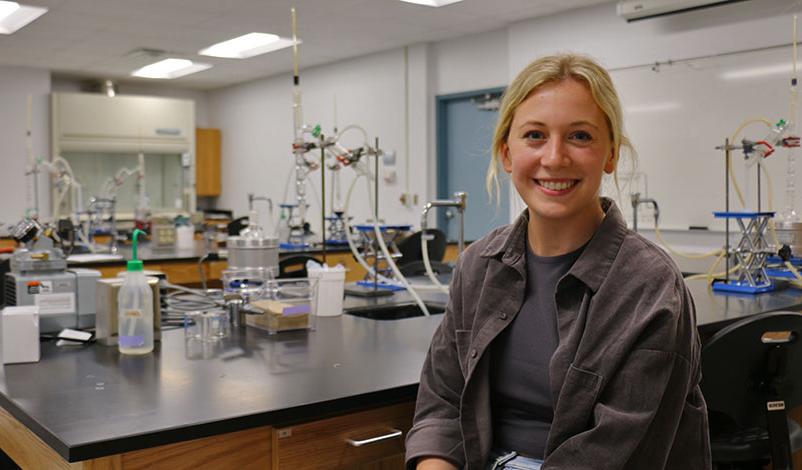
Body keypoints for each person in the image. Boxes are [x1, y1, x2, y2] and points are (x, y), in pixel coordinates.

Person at [404, 53, 711, 470]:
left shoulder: (649, 285)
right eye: (534, 135)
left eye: (580, 136)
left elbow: (617, 454)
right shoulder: (479, 265)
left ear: (611, 155)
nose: (554, 158)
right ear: (507, 153)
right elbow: (443, 402)